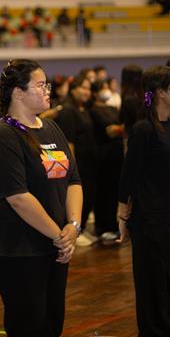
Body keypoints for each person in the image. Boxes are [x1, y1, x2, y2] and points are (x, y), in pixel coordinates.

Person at [0, 59, 83, 337]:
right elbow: (19, 198)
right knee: (29, 323)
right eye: (40, 85)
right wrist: (60, 236)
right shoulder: (5, 136)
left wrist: (73, 227)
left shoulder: (51, 128)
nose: (48, 90)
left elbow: (73, 180)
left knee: (53, 321)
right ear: (18, 93)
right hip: (17, 246)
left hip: (54, 242)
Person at [118, 66, 170, 336]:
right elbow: (129, 176)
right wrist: (123, 216)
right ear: (159, 92)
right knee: (153, 286)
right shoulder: (144, 129)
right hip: (151, 222)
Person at [56, 74, 98, 246]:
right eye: (83, 88)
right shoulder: (68, 111)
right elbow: (69, 143)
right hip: (78, 163)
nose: (87, 92)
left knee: (89, 197)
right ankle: (73, 233)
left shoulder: (85, 109)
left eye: (89, 88)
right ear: (73, 90)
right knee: (77, 199)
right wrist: (73, 169)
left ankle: (80, 231)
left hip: (89, 163)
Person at [90, 79, 124, 241]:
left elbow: (119, 128)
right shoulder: (94, 110)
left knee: (114, 193)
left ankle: (112, 225)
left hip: (117, 155)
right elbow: (109, 130)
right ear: (95, 92)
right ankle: (102, 226)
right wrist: (120, 129)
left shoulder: (112, 108)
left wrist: (120, 129)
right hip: (104, 156)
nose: (106, 91)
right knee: (103, 193)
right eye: (102, 88)